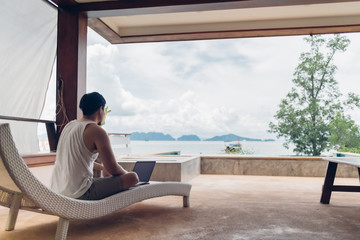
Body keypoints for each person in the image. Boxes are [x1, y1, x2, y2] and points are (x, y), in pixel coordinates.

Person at [50, 92, 139, 200]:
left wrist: (102, 167)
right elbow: (113, 168)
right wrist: (126, 174)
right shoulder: (96, 131)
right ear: (100, 109)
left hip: (57, 191)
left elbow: (77, 160)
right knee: (133, 177)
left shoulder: (69, 126)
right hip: (81, 193)